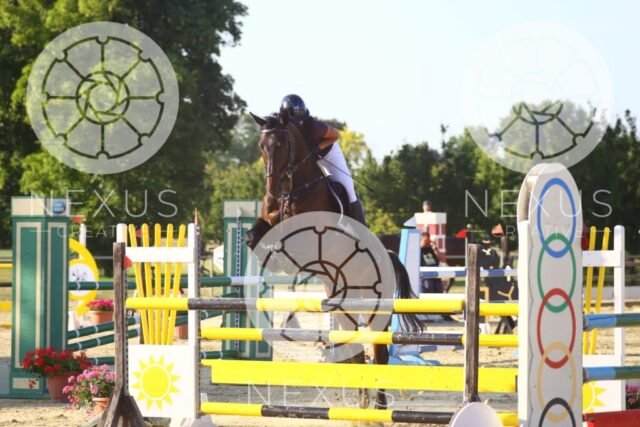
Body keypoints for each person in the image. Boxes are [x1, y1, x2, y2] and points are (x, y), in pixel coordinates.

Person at [278, 94, 366, 225]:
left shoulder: (315, 127)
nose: (300, 123)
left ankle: (360, 228)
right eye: (295, 121)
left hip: (329, 154)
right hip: (308, 159)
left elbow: (336, 135)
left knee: (348, 188)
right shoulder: (283, 129)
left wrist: (318, 147)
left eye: (301, 119)